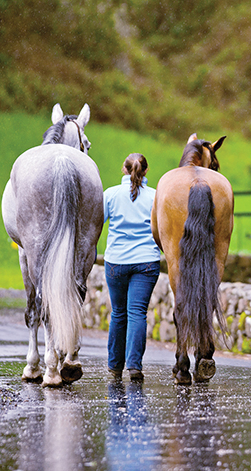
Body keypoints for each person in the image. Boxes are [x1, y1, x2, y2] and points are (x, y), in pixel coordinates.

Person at [103, 153, 161, 382]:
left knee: (118, 313)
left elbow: (97, 223)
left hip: (116, 261)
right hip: (146, 262)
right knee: (137, 312)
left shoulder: (110, 194)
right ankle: (134, 366)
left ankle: (114, 368)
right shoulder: (156, 197)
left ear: (123, 169)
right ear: (146, 171)